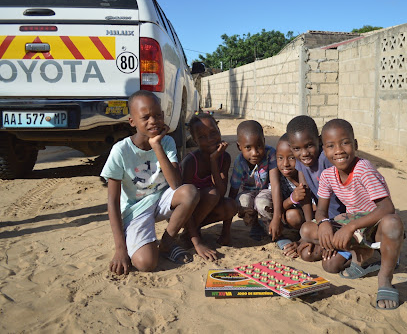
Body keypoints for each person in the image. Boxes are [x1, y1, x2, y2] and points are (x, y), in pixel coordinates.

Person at [101, 90, 208, 275]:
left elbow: (176, 184)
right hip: (136, 210)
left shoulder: (166, 142)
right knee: (146, 263)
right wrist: (120, 249)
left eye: (158, 115)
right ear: (132, 121)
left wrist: (156, 145)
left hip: (161, 200)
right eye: (146, 117)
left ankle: (167, 242)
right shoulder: (120, 151)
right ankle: (137, 239)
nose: (153, 121)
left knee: (189, 192)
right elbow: (112, 201)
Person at [301, 118, 404, 310]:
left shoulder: (363, 169)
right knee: (309, 232)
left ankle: (385, 277)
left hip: (374, 226)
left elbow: (387, 208)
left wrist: (350, 227)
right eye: (331, 146)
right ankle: (362, 255)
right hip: (355, 226)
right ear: (324, 150)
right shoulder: (328, 175)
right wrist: (323, 222)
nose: (338, 150)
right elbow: (321, 209)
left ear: (355, 145)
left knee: (393, 222)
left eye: (345, 143)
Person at [285, 115, 352, 261]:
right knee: (306, 254)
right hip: (326, 220)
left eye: (309, 145)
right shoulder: (300, 162)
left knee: (331, 264)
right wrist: (308, 234)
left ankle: (352, 248)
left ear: (319, 140)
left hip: (346, 219)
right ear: (291, 148)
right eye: (297, 148)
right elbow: (305, 195)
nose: (304, 153)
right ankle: (333, 244)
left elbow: (349, 197)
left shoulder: (326, 159)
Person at [181, 113, 237, 248]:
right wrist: (196, 241)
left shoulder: (224, 158)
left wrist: (213, 161)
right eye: (202, 137)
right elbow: (183, 202)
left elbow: (222, 192)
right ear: (195, 140)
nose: (210, 139)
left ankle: (194, 229)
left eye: (213, 132)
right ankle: (190, 232)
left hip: (207, 208)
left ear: (219, 130)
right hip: (184, 213)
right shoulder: (190, 162)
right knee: (212, 194)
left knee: (230, 205)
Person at [228, 120, 283, 241]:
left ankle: (270, 225)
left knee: (262, 202)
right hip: (249, 192)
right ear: (239, 146)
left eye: (259, 146)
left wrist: (277, 218)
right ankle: (254, 225)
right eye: (248, 147)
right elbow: (234, 189)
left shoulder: (270, 154)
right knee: (242, 201)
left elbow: (275, 184)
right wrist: (226, 227)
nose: (255, 153)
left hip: (267, 192)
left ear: (264, 141)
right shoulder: (239, 162)